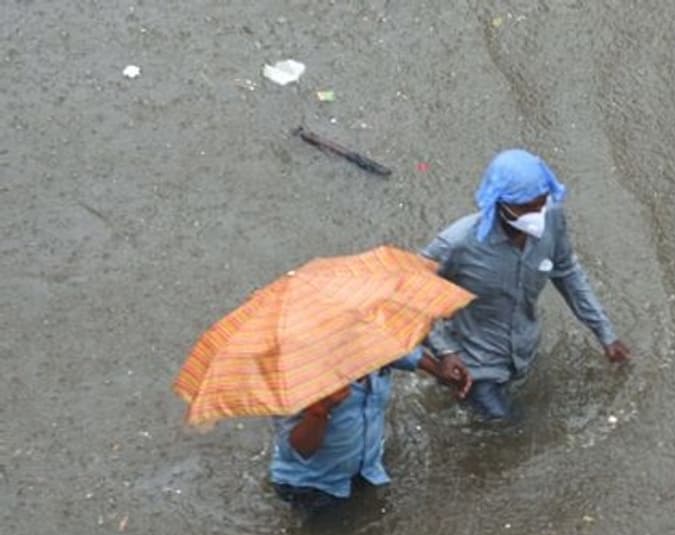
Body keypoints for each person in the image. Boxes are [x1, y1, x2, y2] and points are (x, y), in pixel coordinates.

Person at [420, 149, 630, 421]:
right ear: (499, 203)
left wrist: (606, 334)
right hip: (476, 364)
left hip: (525, 350)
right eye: (526, 208)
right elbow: (407, 296)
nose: (536, 214)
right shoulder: (457, 244)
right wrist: (444, 352)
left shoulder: (552, 218)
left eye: (540, 203)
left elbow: (567, 273)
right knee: (508, 427)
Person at [270, 347, 468, 510]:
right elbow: (298, 450)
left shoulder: (369, 343)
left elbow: (399, 350)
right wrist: (320, 410)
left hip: (367, 470)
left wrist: (438, 369)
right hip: (314, 486)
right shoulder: (293, 373)